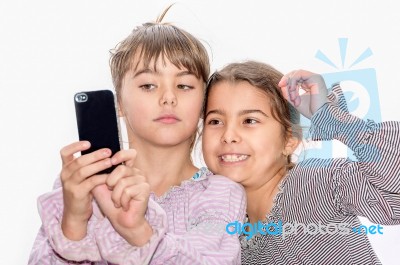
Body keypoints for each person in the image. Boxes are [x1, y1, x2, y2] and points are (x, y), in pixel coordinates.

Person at [28, 10, 246, 265]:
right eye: (148, 85)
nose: (168, 97)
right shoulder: (85, 184)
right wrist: (74, 223)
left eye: (184, 85)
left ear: (203, 102)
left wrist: (138, 232)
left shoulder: (220, 193)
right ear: (119, 102)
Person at [202, 60, 400, 264]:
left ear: (289, 141)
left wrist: (335, 121)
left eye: (250, 121)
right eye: (215, 121)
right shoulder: (225, 236)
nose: (229, 135)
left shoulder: (316, 185)